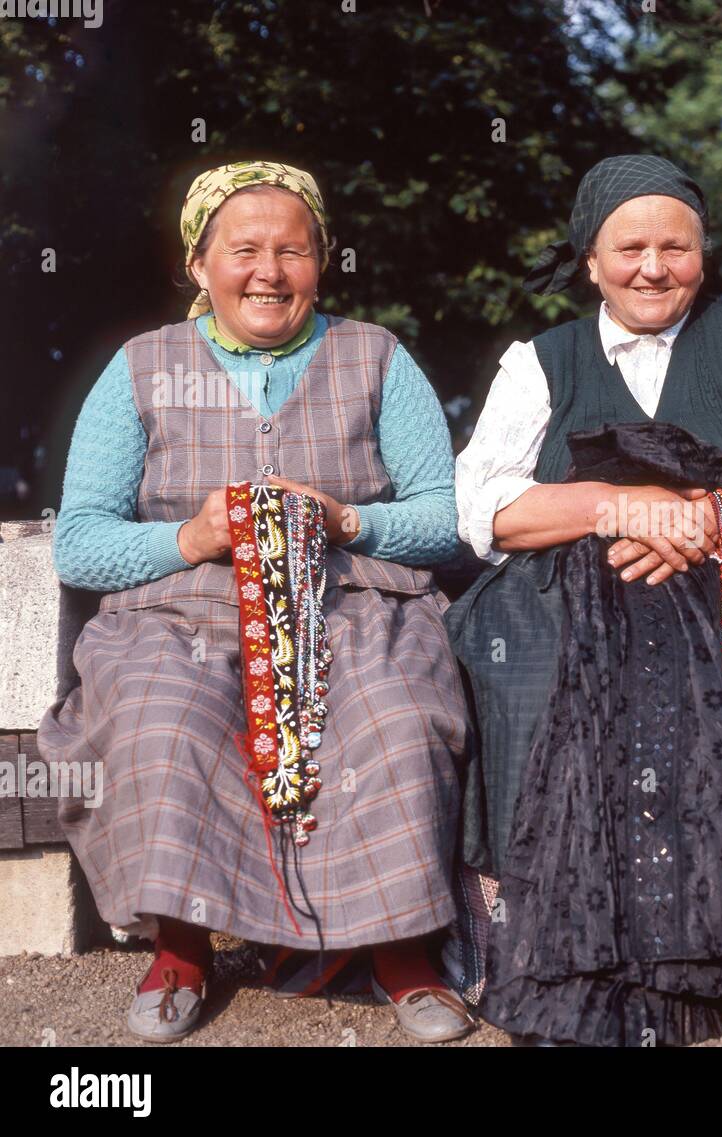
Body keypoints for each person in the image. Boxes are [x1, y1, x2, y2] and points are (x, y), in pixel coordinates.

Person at [38, 160, 475, 1042]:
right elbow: (79, 539)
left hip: (352, 604)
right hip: (178, 612)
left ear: (323, 261)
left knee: (393, 713)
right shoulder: (140, 367)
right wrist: (188, 539)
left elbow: (450, 518)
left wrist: (351, 519)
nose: (268, 271)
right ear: (198, 263)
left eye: (294, 250)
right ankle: (182, 947)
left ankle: (401, 951)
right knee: (162, 714)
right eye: (243, 249)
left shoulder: (377, 355)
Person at [449, 155, 722, 1045]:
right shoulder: (541, 359)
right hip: (578, 580)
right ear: (591, 260)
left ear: (702, 254)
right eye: (631, 247)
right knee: (526, 664)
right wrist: (619, 507)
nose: (654, 267)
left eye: (675, 247)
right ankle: (570, 936)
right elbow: (484, 506)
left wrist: (705, 517)